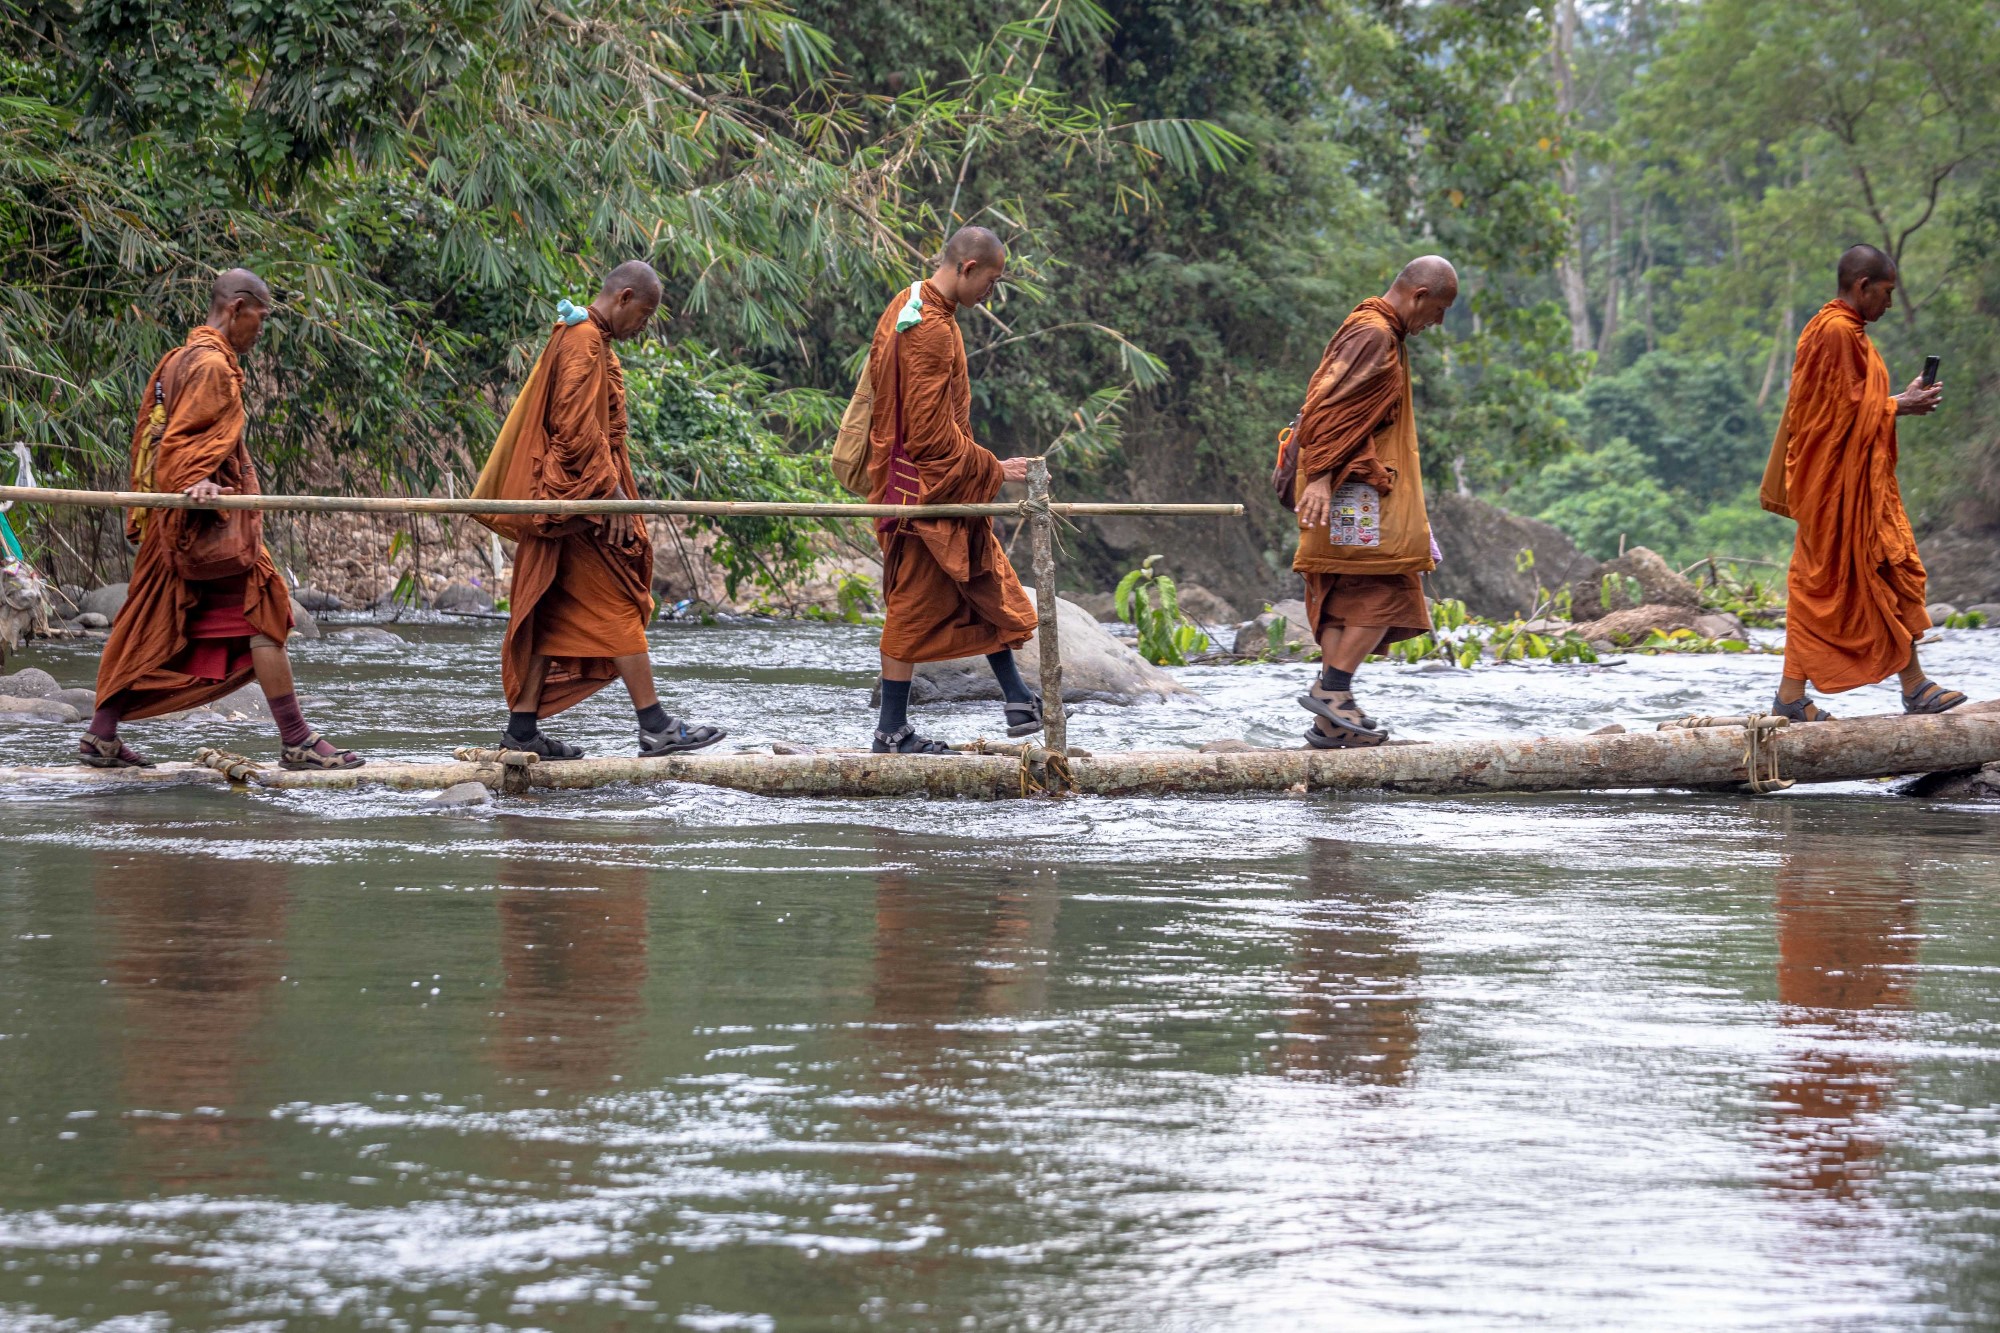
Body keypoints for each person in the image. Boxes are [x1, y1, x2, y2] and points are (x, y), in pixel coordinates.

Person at [80, 269, 362, 770]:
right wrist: (200, 481)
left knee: (145, 620)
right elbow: (181, 446)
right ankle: (296, 740)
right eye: (261, 315)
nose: (261, 326)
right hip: (205, 519)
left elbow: (164, 437)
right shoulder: (211, 364)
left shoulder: (179, 358)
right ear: (236, 308)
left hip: (175, 519)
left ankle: (102, 735)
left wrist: (192, 481)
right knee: (267, 609)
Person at [478, 260, 725, 759]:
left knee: (549, 609)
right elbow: (572, 428)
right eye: (646, 314)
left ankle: (522, 731)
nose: (645, 326)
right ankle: (655, 725)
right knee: (617, 599)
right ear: (625, 297)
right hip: (581, 504)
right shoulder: (583, 340)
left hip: (580, 499)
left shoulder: (589, 338)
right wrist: (608, 493)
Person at [1757, 244, 1961, 720]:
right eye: (1886, 293)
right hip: (1832, 488)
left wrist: (1898, 400)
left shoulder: (1847, 332)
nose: (1889, 303)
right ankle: (1912, 687)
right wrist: (1897, 406)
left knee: (1876, 573)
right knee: (1837, 582)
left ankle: (1795, 699)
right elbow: (1829, 418)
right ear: (1862, 286)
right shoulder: (1833, 331)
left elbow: (1846, 404)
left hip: (1852, 485)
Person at [865, 226, 1040, 754]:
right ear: (967, 269)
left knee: (979, 577)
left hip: (913, 480)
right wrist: (992, 468)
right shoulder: (932, 330)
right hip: (921, 491)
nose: (991, 293)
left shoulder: (907, 302)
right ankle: (891, 732)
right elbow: (927, 434)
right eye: (991, 281)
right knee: (911, 604)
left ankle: (1018, 697)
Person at [1288, 256, 1457, 748]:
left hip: (1354, 489)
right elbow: (1326, 405)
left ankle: (1330, 724)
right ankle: (1333, 691)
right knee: (1392, 591)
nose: (1438, 322)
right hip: (1350, 488)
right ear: (1419, 295)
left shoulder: (1377, 331)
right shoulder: (1375, 334)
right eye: (1439, 309)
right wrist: (1319, 477)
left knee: (1350, 596)